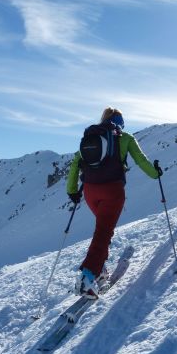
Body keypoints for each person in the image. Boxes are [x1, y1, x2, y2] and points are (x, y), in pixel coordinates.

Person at [66, 107, 163, 298]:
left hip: (90, 191)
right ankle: (87, 276)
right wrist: (155, 173)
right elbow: (141, 161)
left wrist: (72, 191)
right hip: (112, 190)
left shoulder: (91, 136)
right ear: (120, 121)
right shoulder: (124, 137)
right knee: (103, 232)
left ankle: (99, 269)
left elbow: (76, 164)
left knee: (103, 229)